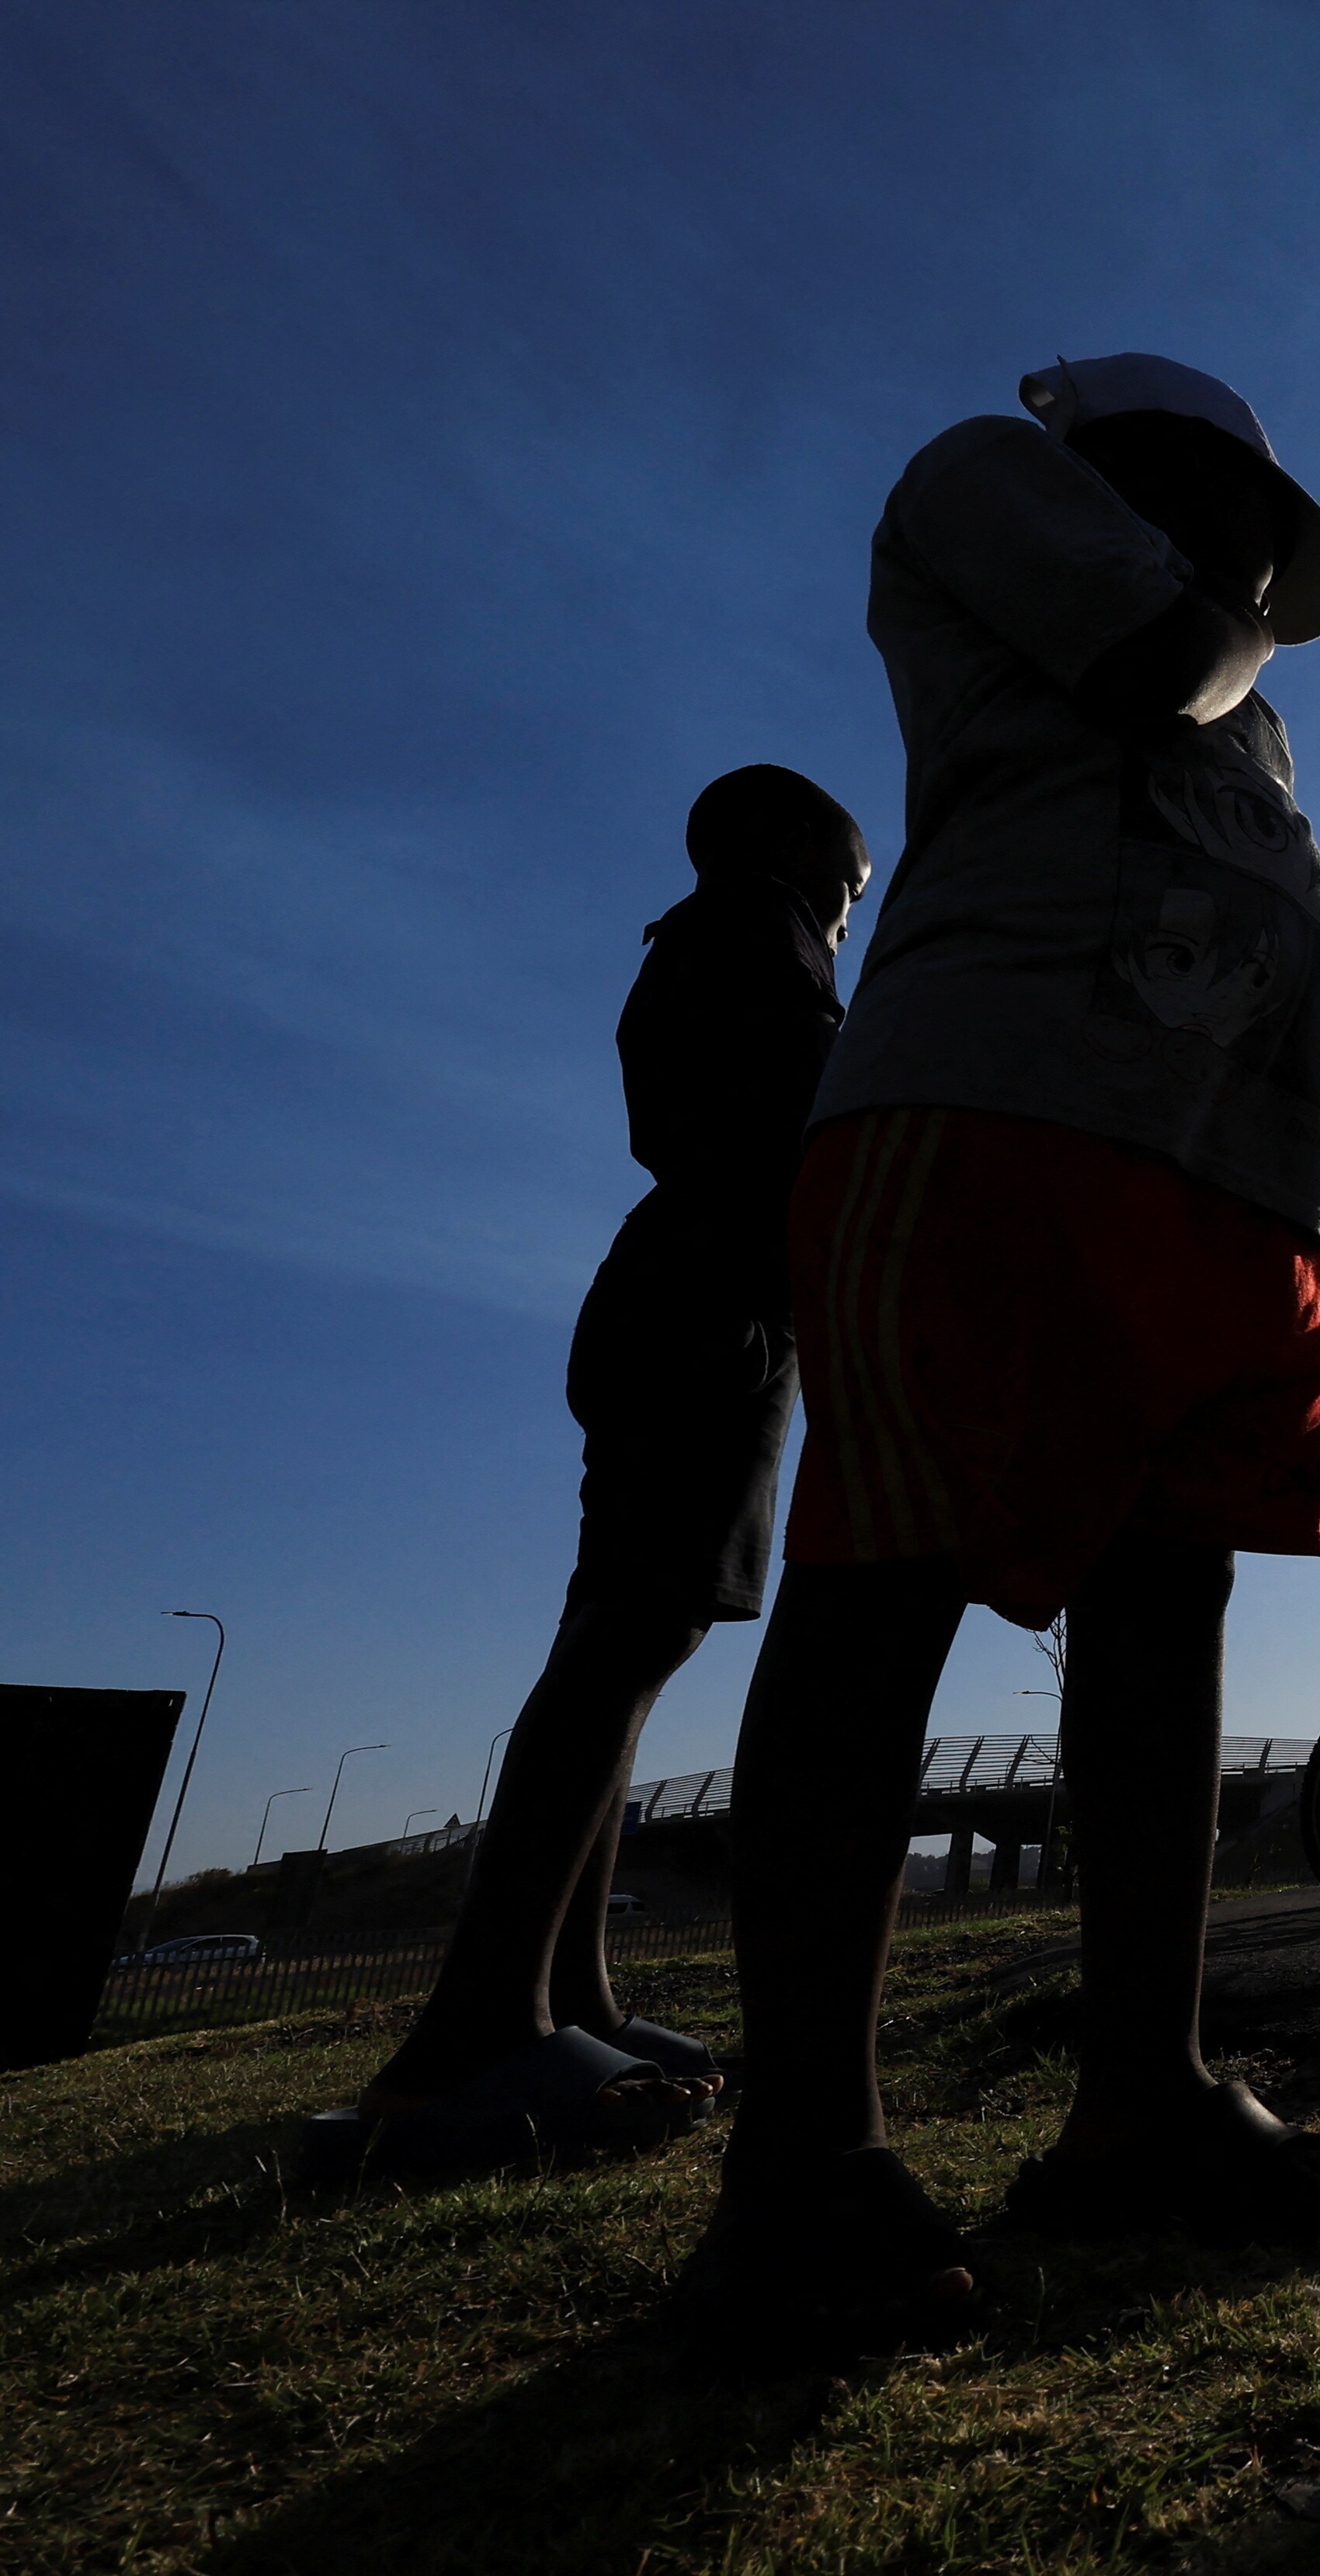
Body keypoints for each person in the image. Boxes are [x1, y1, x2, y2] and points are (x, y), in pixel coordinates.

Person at [686, 354, 1320, 2342]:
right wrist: (1225, 602)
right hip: (989, 1118)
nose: (1259, 562)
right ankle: (801, 2163)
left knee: (1165, 1609)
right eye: (1241, 512)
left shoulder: (1263, 724)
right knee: (882, 1584)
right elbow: (1165, 644)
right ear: (1137, 464)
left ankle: (1137, 2099)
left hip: (1228, 1188)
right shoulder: (994, 482)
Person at [310, 767, 866, 2178]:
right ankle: (479, 2023)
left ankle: (569, 1991)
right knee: (625, 1632)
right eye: (852, 886)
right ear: (798, 848)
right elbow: (796, 1132)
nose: (851, 917)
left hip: (689, 1307)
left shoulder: (708, 940)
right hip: (709, 1316)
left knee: (633, 1632)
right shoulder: (758, 931)